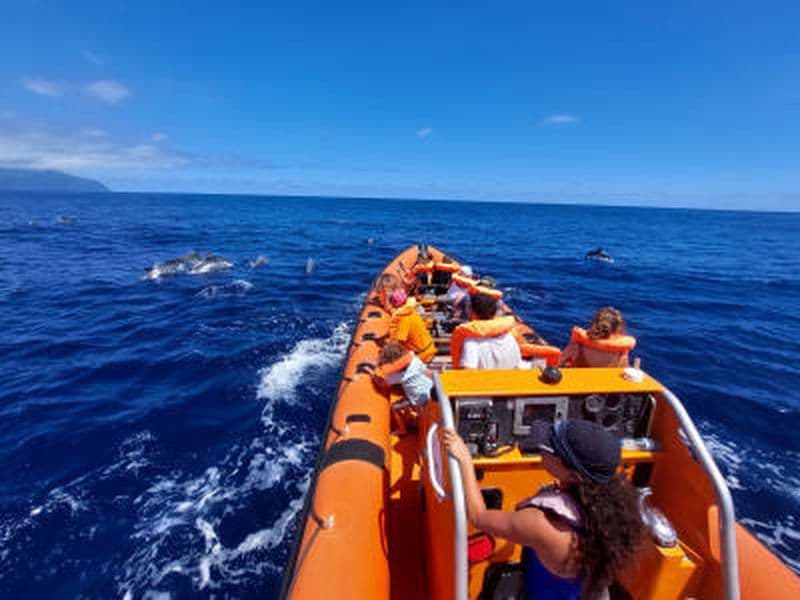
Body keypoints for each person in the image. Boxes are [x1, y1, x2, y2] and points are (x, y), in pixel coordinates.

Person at [442, 420, 645, 599]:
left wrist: (465, 460)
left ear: (573, 475)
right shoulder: (616, 511)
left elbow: (478, 516)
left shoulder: (542, 525)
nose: (542, 447)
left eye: (552, 448)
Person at [451, 293, 525, 369]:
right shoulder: (509, 337)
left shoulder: (472, 342)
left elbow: (468, 373)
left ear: (471, 311)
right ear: (494, 313)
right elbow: (518, 366)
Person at [558, 307, 636, 368]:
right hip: (608, 387)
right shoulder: (622, 350)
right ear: (618, 328)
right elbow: (623, 368)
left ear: (595, 323)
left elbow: (560, 362)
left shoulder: (578, 345)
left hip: (579, 385)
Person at [369, 342, 433, 406]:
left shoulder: (401, 376)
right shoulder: (414, 359)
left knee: (394, 407)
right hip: (428, 387)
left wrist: (371, 372)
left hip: (418, 399)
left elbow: (381, 383)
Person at [388, 288, 437, 362]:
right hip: (428, 349)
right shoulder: (410, 311)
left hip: (423, 355)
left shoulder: (404, 319)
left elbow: (399, 342)